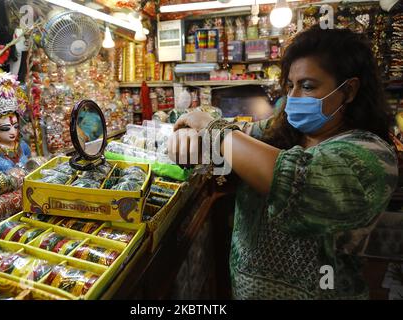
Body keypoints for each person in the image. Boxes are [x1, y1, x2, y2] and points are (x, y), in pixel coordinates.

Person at [168, 26, 399, 299]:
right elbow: (232, 139)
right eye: (290, 86)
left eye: (308, 86)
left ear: (348, 90)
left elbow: (295, 181)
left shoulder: (370, 156)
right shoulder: (279, 131)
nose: (293, 98)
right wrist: (187, 130)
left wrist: (212, 129)